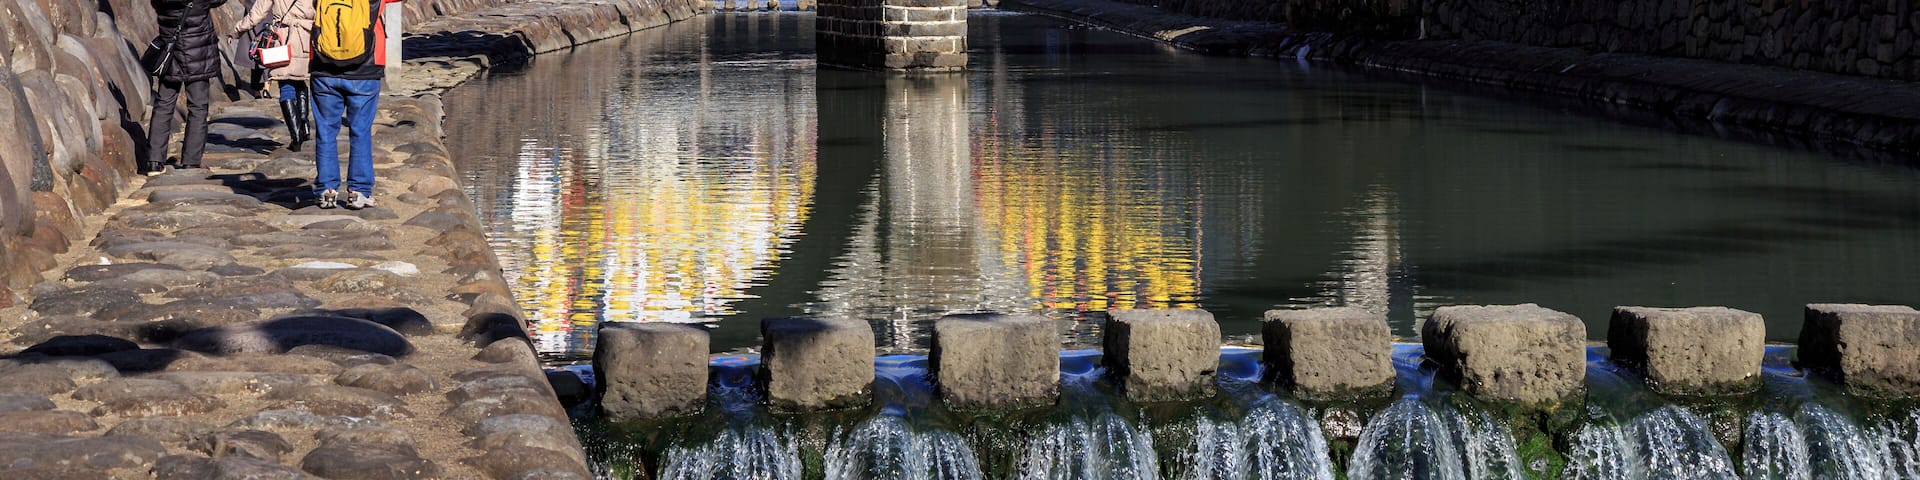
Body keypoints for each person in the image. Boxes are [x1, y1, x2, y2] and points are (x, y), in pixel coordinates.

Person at [310, 0, 402, 209]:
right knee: (360, 131)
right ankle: (358, 191)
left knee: (325, 131)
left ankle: (327, 190)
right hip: (365, 69)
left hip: (324, 67)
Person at [145, 0, 228, 175]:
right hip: (198, 53)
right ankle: (191, 160)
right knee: (198, 107)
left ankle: (154, 161)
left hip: (171, 52)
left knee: (163, 104)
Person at [233, 0, 314, 151]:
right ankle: (304, 124)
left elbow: (257, 13)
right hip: (307, 37)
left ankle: (296, 136)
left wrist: (237, 29)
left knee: (285, 84)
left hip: (283, 37)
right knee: (300, 80)